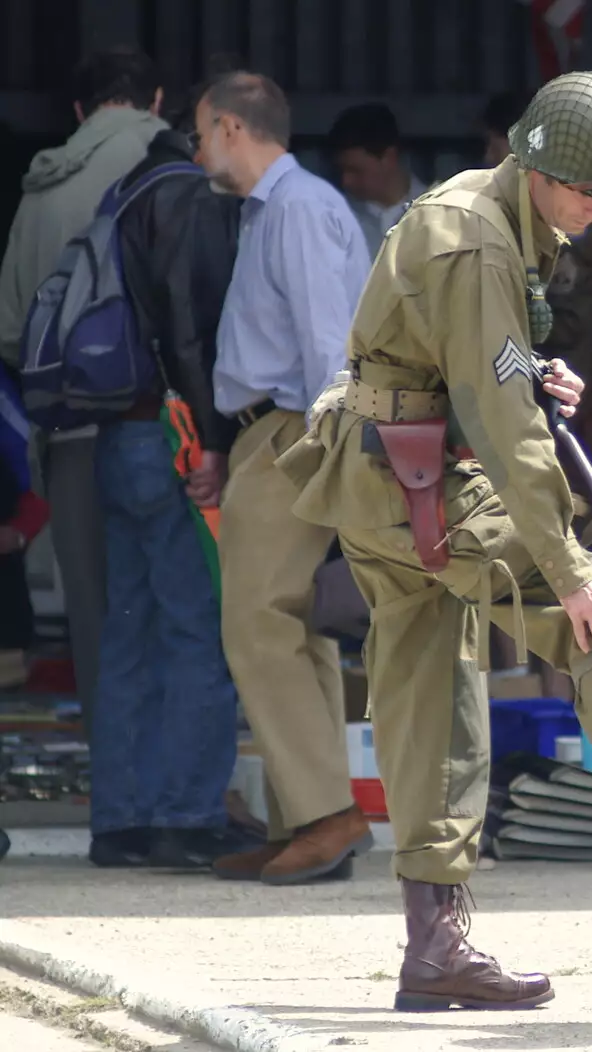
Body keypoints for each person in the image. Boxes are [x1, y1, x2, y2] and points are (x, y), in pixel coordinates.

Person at [273, 70, 592, 1012]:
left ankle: (435, 951)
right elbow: (505, 425)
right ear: (549, 168)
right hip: (416, 480)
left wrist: (534, 370)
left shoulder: (492, 211)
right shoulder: (478, 242)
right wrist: (566, 568)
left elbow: (475, 362)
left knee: (434, 704)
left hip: (387, 470)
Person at [193, 72, 374, 886]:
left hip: (295, 432)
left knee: (259, 625)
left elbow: (325, 344)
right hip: (275, 432)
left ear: (232, 127)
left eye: (201, 134)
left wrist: (323, 448)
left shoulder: (295, 208)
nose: (199, 152)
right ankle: (307, 815)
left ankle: (326, 818)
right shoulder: (285, 207)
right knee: (292, 629)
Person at [87, 94, 247, 871]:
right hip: (173, 435)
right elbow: (187, 323)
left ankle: (119, 821)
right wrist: (214, 444)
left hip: (116, 436)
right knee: (197, 631)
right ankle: (185, 815)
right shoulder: (183, 195)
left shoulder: (118, 195)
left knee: (127, 632)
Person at [0, 47, 167, 734]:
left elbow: (12, 330)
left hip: (68, 434)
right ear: (156, 100)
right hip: (165, 428)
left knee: (97, 618)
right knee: (178, 609)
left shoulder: (39, 188)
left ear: (77, 109)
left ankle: (117, 791)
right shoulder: (176, 166)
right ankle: (184, 795)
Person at [327, 102, 430, 260]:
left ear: (388, 158)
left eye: (355, 170)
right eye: (342, 171)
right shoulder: (336, 219)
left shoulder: (436, 213)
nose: (346, 181)